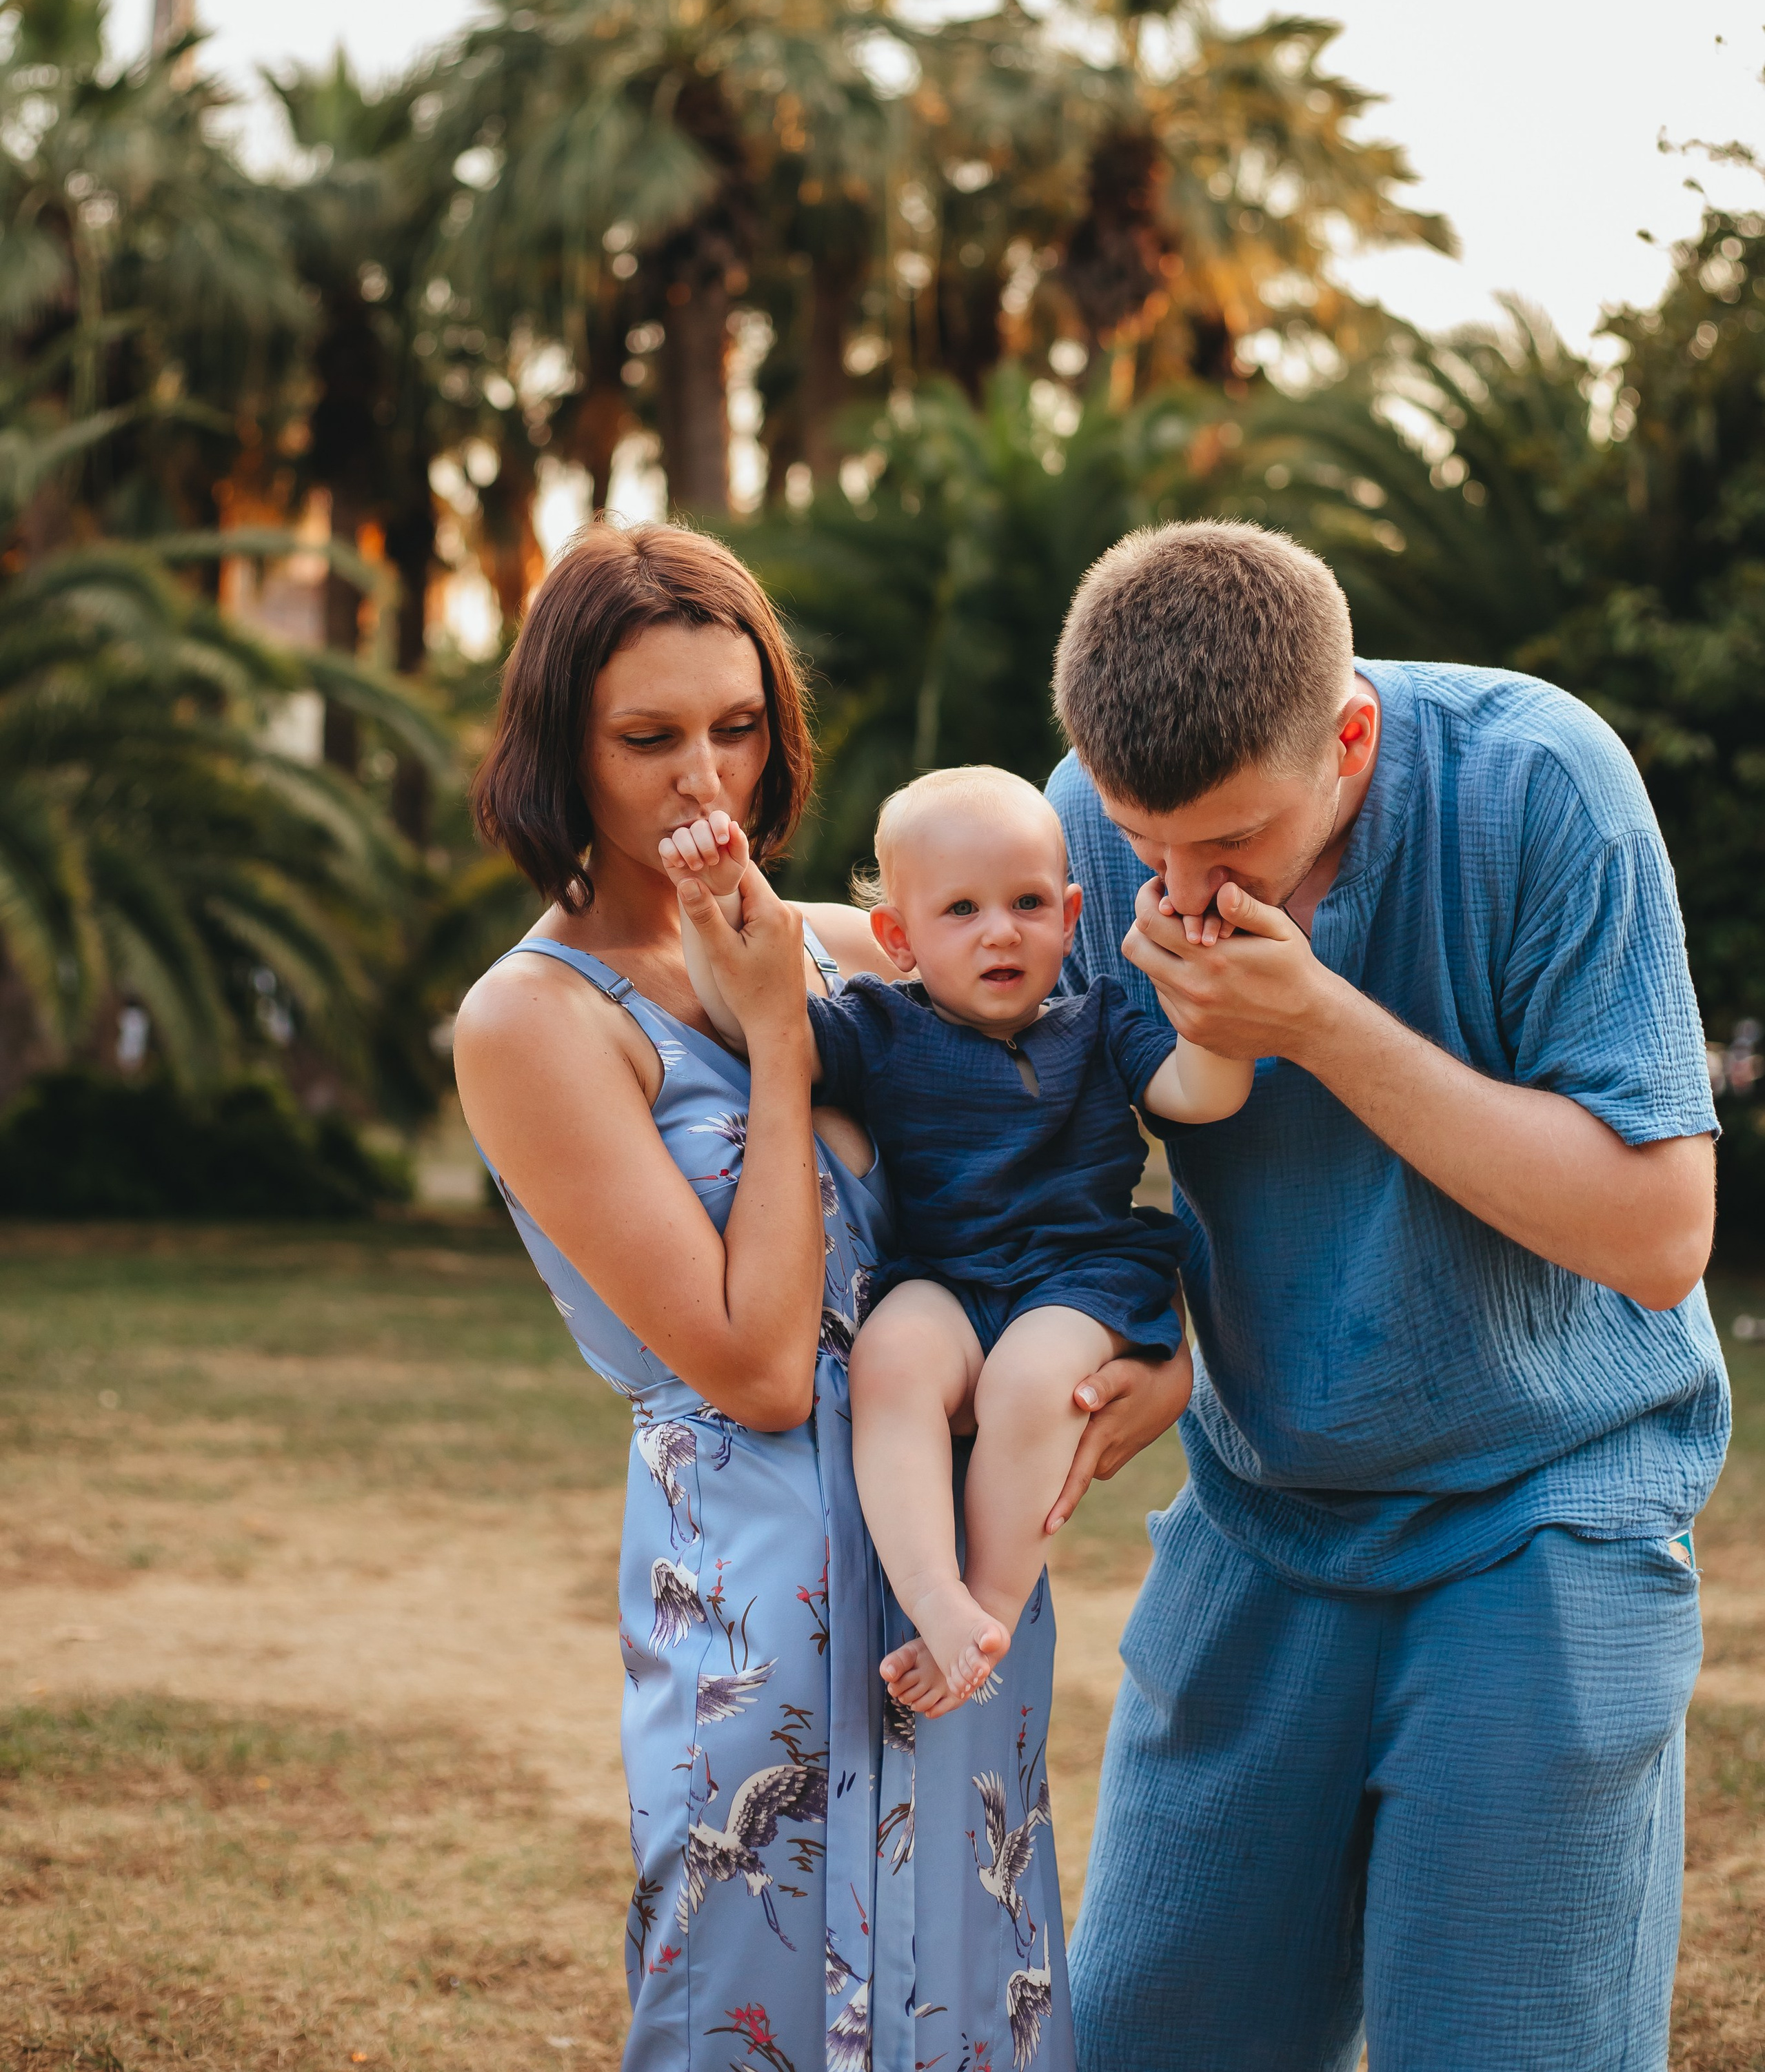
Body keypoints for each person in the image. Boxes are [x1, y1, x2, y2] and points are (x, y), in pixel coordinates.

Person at [451, 523, 1188, 2072]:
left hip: (953, 1561)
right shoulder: (532, 1019)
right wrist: (780, 1055)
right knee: (758, 1992)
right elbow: (762, 1365)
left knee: (977, 1964)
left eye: (734, 729)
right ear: (559, 751)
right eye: (647, 738)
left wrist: (1156, 1368)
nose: (700, 781)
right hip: (757, 1576)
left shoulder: (871, 942)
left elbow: (1073, 1150)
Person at [1045, 519, 1726, 2072]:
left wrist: (1321, 1024)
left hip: (1546, 1506)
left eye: (1227, 844)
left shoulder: (1539, 784)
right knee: (1135, 2040)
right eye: (1145, 840)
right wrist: (1127, 1332)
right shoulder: (1090, 817)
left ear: (1347, 735)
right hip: (1263, 1505)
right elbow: (1057, 1150)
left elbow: (1656, 1226)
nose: (1177, 887)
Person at [662, 766, 1249, 1718]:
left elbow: (1203, 1092)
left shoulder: (1103, 1023)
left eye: (1027, 903)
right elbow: (751, 1024)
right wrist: (705, 906)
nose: (1001, 930)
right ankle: (932, 1590)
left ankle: (991, 1603)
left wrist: (1219, 1003)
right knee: (890, 1361)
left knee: (1029, 1378)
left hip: (1081, 1276)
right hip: (945, 1273)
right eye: (962, 909)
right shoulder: (883, 1028)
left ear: (1068, 914)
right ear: (897, 938)